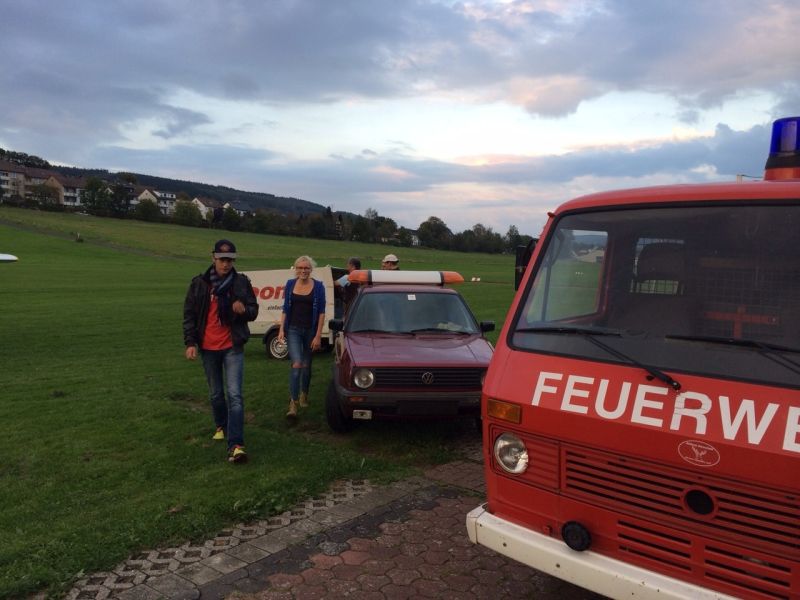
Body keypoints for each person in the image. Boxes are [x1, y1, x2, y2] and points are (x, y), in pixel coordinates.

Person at [183, 239, 259, 463]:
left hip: (232, 346)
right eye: (222, 259)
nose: (226, 264)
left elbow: (253, 311)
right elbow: (189, 315)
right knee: (216, 394)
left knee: (235, 395)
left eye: (230, 260)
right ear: (213, 258)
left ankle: (236, 445)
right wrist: (190, 343)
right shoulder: (200, 284)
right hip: (208, 347)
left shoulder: (241, 282)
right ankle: (221, 425)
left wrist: (243, 310)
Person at [278, 255, 326, 419]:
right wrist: (281, 329)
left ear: (311, 269)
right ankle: (293, 403)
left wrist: (318, 335)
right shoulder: (290, 284)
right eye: (300, 268)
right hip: (293, 329)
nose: (303, 271)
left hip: (310, 331)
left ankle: (304, 393)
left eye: (306, 268)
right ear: (295, 269)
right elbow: (285, 308)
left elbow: (321, 312)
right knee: (297, 364)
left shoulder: (318, 287)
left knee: (306, 365)